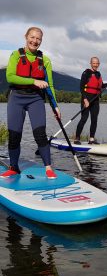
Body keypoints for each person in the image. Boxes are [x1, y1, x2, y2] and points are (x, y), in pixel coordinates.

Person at [1, 27, 60, 179]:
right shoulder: (15, 55)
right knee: (14, 135)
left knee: (40, 134)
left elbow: (50, 85)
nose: (35, 41)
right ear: (26, 37)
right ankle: (14, 167)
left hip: (36, 99)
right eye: (32, 37)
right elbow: (10, 77)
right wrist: (34, 81)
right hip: (16, 98)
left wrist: (55, 106)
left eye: (38, 39)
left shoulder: (45, 60)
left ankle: (48, 168)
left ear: (41, 41)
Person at [74, 57, 107, 144]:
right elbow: (81, 87)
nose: (95, 65)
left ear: (99, 64)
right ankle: (77, 138)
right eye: (94, 63)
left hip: (95, 99)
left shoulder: (98, 74)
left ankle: (91, 139)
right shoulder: (86, 73)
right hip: (86, 98)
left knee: (94, 119)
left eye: (97, 63)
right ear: (90, 63)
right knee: (84, 118)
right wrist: (85, 99)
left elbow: (102, 86)